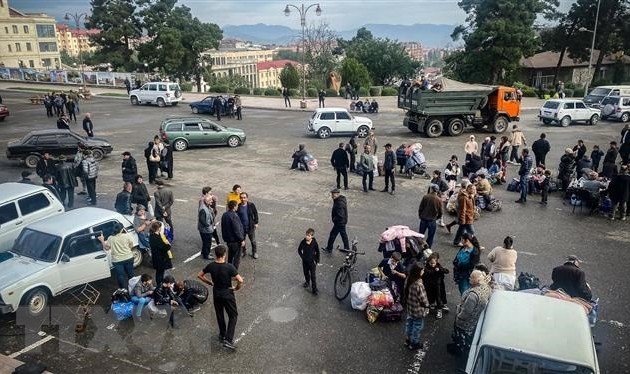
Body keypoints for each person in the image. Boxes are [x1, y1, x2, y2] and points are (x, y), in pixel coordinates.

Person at [197, 244, 244, 350]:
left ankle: (222, 334)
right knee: (233, 315)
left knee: (220, 314)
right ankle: (228, 339)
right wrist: (236, 288)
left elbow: (199, 275)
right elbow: (240, 280)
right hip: (227, 293)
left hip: (216, 293)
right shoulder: (229, 267)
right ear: (224, 255)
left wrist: (209, 282)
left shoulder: (211, 266)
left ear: (215, 254)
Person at [447, 269, 492, 356]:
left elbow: (466, 312)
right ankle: (461, 347)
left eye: (471, 277)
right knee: (467, 336)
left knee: (461, 335)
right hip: (474, 320)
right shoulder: (486, 287)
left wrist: (458, 317)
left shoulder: (473, 295)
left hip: (465, 322)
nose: (469, 278)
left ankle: (459, 349)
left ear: (477, 280)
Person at [98, 222, 135, 289]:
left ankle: (123, 290)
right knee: (131, 274)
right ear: (122, 229)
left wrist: (102, 240)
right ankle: (134, 288)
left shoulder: (110, 238)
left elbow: (106, 248)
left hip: (117, 261)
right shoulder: (126, 236)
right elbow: (131, 245)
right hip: (128, 257)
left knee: (120, 276)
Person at [403, 262, 429, 351]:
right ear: (418, 272)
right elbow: (423, 299)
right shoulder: (419, 285)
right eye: (422, 270)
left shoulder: (408, 279)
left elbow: (405, 291)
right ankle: (414, 343)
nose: (423, 272)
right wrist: (427, 306)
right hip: (418, 310)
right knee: (417, 327)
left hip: (410, 308)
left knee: (409, 324)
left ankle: (407, 340)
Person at [422, 253, 449, 319]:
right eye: (430, 263)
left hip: (437, 285)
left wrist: (440, 270)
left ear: (436, 262)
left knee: (438, 297)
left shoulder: (438, 266)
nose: (432, 265)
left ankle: (439, 310)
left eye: (433, 263)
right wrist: (435, 270)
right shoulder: (426, 268)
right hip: (429, 285)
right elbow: (428, 273)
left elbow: (447, 271)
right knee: (430, 296)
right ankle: (431, 305)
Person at [221, 200, 245, 269]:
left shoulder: (225, 214)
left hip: (228, 240)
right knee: (236, 258)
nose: (237, 207)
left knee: (230, 257)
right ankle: (234, 273)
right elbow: (236, 229)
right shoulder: (234, 216)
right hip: (235, 241)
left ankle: (228, 269)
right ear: (234, 207)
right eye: (237, 206)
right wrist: (242, 239)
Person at [149, 221, 173, 286]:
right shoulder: (156, 238)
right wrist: (168, 244)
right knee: (160, 273)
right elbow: (165, 247)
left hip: (156, 258)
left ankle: (160, 283)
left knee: (159, 272)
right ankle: (160, 285)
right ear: (158, 228)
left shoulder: (152, 236)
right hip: (160, 259)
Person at [418, 185, 442, 249]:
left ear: (431, 189)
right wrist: (437, 218)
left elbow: (421, 208)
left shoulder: (425, 197)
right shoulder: (439, 200)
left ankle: (418, 247)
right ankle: (428, 249)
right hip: (432, 220)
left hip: (423, 219)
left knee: (420, 234)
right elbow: (440, 212)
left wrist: (420, 215)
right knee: (430, 237)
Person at [297, 228, 320, 295]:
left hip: (312, 263)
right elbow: (299, 250)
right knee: (306, 273)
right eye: (306, 235)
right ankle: (307, 281)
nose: (307, 236)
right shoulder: (303, 242)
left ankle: (314, 289)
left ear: (312, 236)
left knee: (313, 276)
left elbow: (317, 251)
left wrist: (317, 260)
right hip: (305, 262)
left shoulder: (314, 243)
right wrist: (302, 257)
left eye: (309, 235)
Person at [238, 192, 259, 259]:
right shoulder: (238, 206)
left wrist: (256, 223)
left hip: (250, 227)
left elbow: (255, 214)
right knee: (242, 241)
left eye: (244, 197)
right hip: (242, 228)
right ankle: (243, 252)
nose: (243, 199)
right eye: (241, 198)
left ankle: (254, 252)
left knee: (253, 241)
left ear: (247, 198)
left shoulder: (251, 205)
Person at [198, 195, 216, 260]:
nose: (212, 201)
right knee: (207, 242)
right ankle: (206, 255)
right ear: (206, 201)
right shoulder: (203, 209)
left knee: (205, 242)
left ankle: (204, 252)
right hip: (205, 230)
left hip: (206, 228)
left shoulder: (207, 206)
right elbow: (202, 220)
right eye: (210, 200)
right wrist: (208, 225)